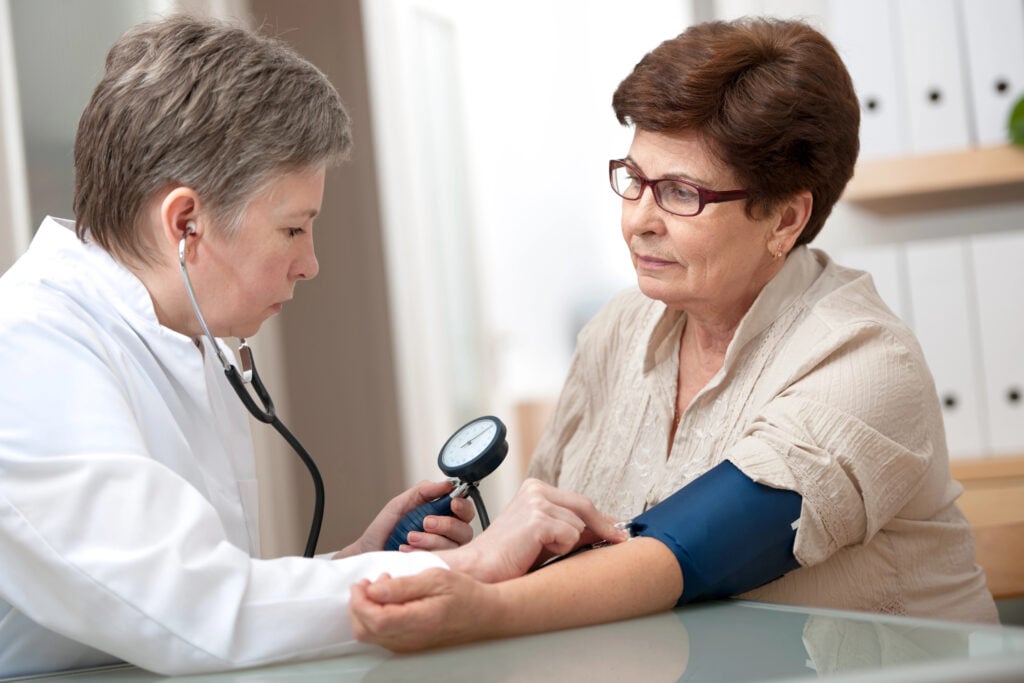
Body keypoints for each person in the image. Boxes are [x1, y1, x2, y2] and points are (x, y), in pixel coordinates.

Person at [0, 14, 625, 678]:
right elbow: (196, 611)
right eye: (294, 229)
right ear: (185, 222)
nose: (310, 264)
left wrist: (359, 563)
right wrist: (468, 565)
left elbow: (193, 590)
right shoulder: (29, 348)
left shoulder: (173, 333)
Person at [349, 16, 999, 651]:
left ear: (784, 218)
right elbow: (546, 534)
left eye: (680, 192)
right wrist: (486, 558)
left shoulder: (865, 359)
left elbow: (690, 551)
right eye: (633, 180)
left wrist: (477, 596)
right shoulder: (616, 328)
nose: (639, 221)